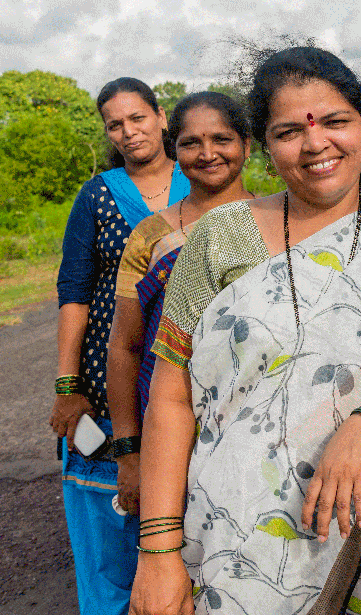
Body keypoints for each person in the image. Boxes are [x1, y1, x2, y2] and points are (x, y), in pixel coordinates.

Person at [129, 47, 361, 615]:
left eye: (334, 122)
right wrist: (158, 552)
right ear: (264, 145)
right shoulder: (219, 238)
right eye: (289, 131)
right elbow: (170, 398)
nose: (315, 144)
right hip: (237, 536)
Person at [50, 77, 190, 615]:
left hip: (185, 376)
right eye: (115, 124)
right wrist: (67, 385)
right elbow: (75, 292)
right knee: (108, 536)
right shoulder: (98, 195)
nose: (129, 132)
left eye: (137, 118)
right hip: (109, 380)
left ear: (161, 116)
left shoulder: (200, 179)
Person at [106, 91, 254, 517]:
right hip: (170, 427)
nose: (207, 154)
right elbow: (125, 346)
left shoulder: (281, 222)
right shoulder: (151, 235)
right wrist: (129, 453)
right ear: (176, 150)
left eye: (221, 139)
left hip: (258, 421)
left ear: (246, 145)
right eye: (191, 143)